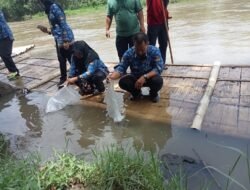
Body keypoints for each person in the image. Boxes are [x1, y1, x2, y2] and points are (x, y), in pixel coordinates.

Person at [108, 32, 163, 103]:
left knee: (158, 81)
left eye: (142, 50)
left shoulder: (154, 51)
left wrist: (145, 77)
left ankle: (153, 94)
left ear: (147, 44)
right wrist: (111, 77)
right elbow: (121, 68)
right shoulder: (128, 53)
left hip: (150, 78)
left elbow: (158, 68)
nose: (140, 52)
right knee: (123, 82)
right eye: (137, 50)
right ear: (134, 45)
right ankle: (136, 93)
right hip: (135, 80)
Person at [38, 0, 74, 87]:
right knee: (61, 59)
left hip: (65, 38)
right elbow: (56, 27)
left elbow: (63, 24)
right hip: (58, 39)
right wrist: (47, 31)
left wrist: (65, 40)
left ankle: (77, 76)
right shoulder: (49, 9)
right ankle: (63, 78)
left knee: (71, 59)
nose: (39, 4)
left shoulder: (54, 7)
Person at [147, 0, 169, 68]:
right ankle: (151, 64)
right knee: (151, 45)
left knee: (164, 43)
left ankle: (161, 63)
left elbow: (166, 3)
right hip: (153, 22)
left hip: (163, 20)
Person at [0, 10, 20, 80]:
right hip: (2, 37)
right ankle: (12, 71)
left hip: (6, 36)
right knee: (3, 55)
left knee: (5, 55)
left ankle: (14, 72)